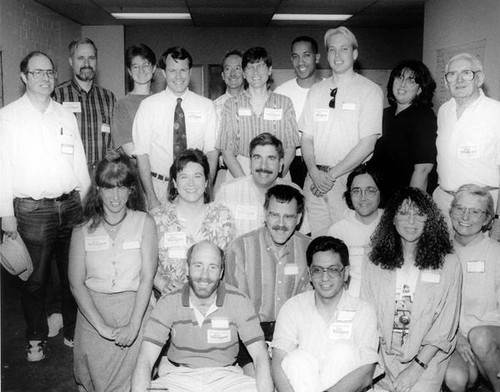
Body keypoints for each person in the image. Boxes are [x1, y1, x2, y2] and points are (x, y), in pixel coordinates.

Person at [0, 51, 91, 361]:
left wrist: (85, 198)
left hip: (70, 206)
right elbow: (2, 168)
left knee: (72, 276)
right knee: (34, 279)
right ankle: (36, 336)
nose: (45, 77)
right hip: (30, 211)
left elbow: (78, 160)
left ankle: (71, 331)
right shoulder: (8, 116)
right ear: (24, 77)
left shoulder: (65, 114)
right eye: (37, 72)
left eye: (49, 72)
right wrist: (5, 214)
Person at [131, 240, 274, 392]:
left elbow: (260, 355)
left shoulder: (239, 300)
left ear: (221, 272)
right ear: (187, 268)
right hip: (178, 376)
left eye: (212, 267)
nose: (204, 275)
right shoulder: (168, 301)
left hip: (227, 377)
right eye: (198, 266)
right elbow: (145, 358)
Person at [68, 151, 157, 392]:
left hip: (135, 310)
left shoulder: (145, 223)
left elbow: (147, 277)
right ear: (98, 189)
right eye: (108, 188)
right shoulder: (82, 229)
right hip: (93, 313)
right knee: (90, 382)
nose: (115, 196)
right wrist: (101, 327)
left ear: (131, 190)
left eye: (121, 187)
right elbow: (76, 284)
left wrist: (134, 325)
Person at [361, 187, 462, 392]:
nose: (411, 221)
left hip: (427, 358)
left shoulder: (449, 263)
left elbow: (445, 326)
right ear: (392, 218)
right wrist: (377, 369)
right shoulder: (373, 259)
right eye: (404, 213)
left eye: (419, 214)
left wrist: (416, 369)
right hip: (381, 355)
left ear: (429, 220)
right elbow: (367, 317)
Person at [300, 26, 383, 237]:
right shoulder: (316, 91)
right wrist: (314, 173)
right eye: (332, 50)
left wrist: (329, 177)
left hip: (348, 180)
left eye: (344, 49)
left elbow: (367, 144)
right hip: (315, 179)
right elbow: (306, 138)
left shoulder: (370, 91)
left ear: (355, 54)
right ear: (326, 55)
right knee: (318, 242)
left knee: (349, 242)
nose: (337, 55)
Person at [272, 236, 379, 392]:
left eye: (333, 270)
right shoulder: (292, 308)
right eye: (317, 270)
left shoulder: (363, 312)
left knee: (344, 351)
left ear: (346, 272)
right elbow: (278, 364)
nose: (325, 277)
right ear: (309, 273)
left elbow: (366, 372)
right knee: (296, 359)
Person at [225, 185, 311, 371]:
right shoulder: (240, 248)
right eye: (274, 215)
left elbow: (310, 307)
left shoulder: (309, 249)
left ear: (299, 218)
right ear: (264, 214)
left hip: (294, 334)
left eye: (288, 217)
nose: (281, 223)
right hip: (250, 333)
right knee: (258, 382)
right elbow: (236, 308)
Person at [133, 46, 218, 209]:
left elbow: (212, 152)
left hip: (194, 188)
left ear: (190, 72)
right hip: (158, 187)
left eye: (183, 70)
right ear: (164, 73)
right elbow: (141, 154)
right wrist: (151, 197)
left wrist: (207, 189)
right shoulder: (148, 106)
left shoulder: (206, 106)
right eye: (172, 71)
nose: (178, 76)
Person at [433, 53, 500, 239]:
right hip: (444, 203)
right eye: (452, 74)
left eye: (466, 73)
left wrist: (498, 219)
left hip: (480, 209)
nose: (459, 79)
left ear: (479, 78)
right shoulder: (444, 111)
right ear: (446, 82)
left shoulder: (496, 112)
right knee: (445, 262)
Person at [152, 149, 235, 294]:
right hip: (170, 302)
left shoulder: (223, 216)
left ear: (206, 182)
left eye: (197, 176)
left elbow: (232, 265)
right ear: (175, 183)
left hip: (212, 300)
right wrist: (161, 283)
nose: (191, 183)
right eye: (184, 177)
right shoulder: (157, 219)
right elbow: (142, 262)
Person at [443, 184, 500, 392]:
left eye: (475, 211)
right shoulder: (440, 252)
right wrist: (455, 336)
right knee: (454, 378)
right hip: (458, 340)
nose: (465, 216)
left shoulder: (496, 253)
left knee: (480, 336)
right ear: (451, 211)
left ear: (487, 219)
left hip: (492, 339)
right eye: (460, 208)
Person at [216, 47, 300, 181]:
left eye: (261, 66)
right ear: (244, 73)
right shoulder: (231, 105)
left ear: (270, 70)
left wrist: (277, 177)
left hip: (276, 172)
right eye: (250, 67)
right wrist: (245, 183)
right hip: (240, 171)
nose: (255, 72)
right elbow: (227, 152)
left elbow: (290, 148)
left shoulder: (284, 103)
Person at [369, 60, 437, 196]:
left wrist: (411, 202)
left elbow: (423, 168)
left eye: (411, 81)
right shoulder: (385, 114)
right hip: (379, 194)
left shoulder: (424, 117)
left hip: (404, 195)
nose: (403, 84)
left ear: (420, 89)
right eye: (399, 77)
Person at [215, 133, 303, 237]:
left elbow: (301, 239)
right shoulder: (227, 192)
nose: (263, 165)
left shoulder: (294, 193)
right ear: (250, 162)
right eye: (257, 158)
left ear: (280, 164)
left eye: (271, 158)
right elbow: (217, 238)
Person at [53, 38, 116, 173]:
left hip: (102, 178)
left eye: (91, 58)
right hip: (70, 178)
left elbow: (115, 142)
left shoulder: (108, 98)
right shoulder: (56, 96)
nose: (86, 63)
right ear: (71, 61)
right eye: (80, 58)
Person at [328, 164, 384, 297]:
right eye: (356, 191)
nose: (363, 197)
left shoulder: (392, 226)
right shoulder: (337, 231)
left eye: (370, 190)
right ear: (349, 195)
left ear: (380, 193)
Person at [274, 36, 323, 188]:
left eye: (306, 55)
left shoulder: (329, 90)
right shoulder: (281, 92)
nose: (300, 62)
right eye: (296, 57)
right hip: (290, 162)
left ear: (317, 58)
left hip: (321, 162)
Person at [112, 44, 157, 157]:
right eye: (136, 66)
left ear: (154, 68)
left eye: (146, 65)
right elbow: (129, 149)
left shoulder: (162, 102)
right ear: (130, 71)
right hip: (136, 169)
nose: (141, 70)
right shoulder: (122, 105)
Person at [213, 50, 245, 192]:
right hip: (223, 173)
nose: (233, 74)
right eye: (228, 69)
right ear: (222, 75)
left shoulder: (257, 104)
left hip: (254, 172)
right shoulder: (212, 108)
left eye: (237, 68)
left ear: (245, 72)